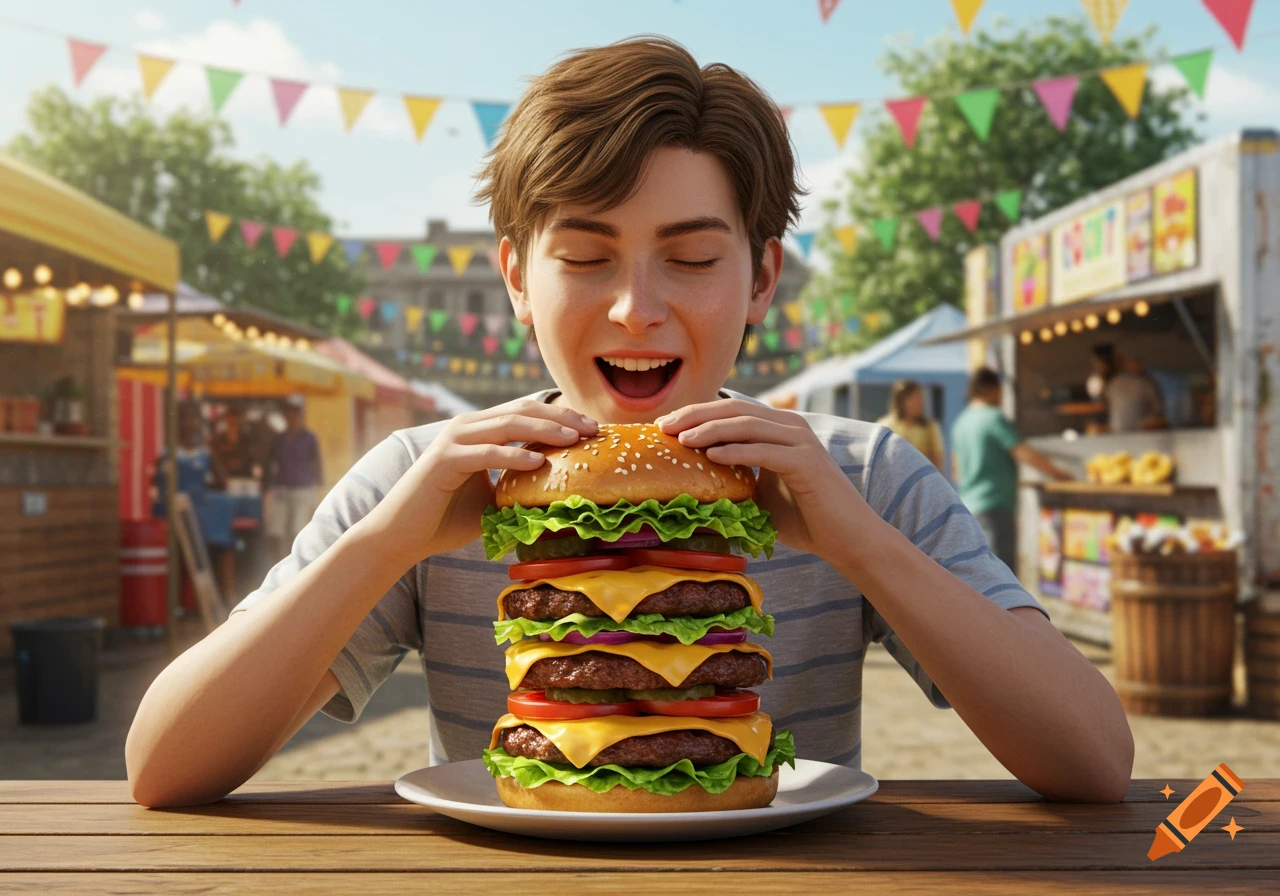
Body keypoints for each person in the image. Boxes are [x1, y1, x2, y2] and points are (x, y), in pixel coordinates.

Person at [127, 38, 1132, 808]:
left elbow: (1092, 760)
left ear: (761, 276)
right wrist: (389, 538)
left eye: (691, 260)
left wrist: (857, 542)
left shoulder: (857, 469)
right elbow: (162, 765)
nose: (634, 309)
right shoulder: (428, 473)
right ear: (518, 276)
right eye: (587, 256)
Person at [951, 368, 1074, 571]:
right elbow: (1025, 453)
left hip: (969, 507)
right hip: (994, 506)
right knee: (1001, 575)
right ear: (992, 389)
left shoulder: (961, 422)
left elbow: (956, 470)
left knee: (979, 575)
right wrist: (1060, 474)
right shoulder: (992, 418)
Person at [152, 402, 238, 605]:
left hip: (199, 512)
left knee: (223, 545)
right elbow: (159, 482)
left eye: (194, 418)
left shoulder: (204, 452)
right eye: (186, 417)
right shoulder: (168, 452)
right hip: (178, 513)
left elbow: (223, 481)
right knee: (186, 550)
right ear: (177, 421)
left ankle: (227, 596)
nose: (190, 423)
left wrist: (208, 481)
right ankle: (181, 604)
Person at [264, 397, 323, 559]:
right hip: (282, 487)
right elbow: (269, 461)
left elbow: (316, 463)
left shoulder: (309, 438)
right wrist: (265, 484)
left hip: (302, 487)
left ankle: (297, 560)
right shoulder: (279, 439)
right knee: (277, 529)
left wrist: (316, 486)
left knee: (297, 528)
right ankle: (280, 560)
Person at [1091, 344, 1164, 433]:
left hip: (1138, 436)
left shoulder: (1137, 382)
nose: (1097, 369)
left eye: (1099, 364)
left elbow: (1157, 410)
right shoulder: (1111, 386)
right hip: (1123, 437)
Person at [877, 379, 944, 471]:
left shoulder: (930, 427)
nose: (920, 403)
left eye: (920, 398)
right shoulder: (885, 425)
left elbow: (938, 462)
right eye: (915, 398)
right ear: (901, 401)